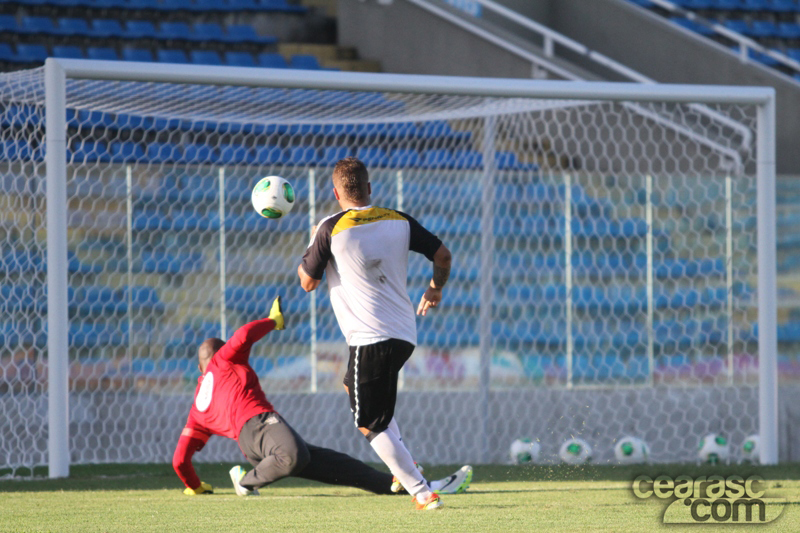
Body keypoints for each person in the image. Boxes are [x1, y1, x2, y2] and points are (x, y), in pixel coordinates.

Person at [172, 296, 471, 498]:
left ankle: (402, 485)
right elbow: (243, 335)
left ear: (199, 367)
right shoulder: (224, 359)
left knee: (336, 465)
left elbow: (180, 460)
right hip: (262, 426)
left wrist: (195, 487)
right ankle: (246, 482)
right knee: (295, 456)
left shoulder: (198, 405)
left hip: (253, 445)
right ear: (216, 357)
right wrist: (273, 321)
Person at [297, 157, 457, 511]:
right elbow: (442, 255)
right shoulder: (398, 220)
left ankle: (420, 489)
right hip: (404, 335)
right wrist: (434, 288)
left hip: (370, 337)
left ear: (336, 193)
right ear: (369, 189)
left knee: (368, 421)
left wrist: (308, 251)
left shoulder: (329, 227)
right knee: (353, 390)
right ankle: (406, 467)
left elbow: (308, 283)